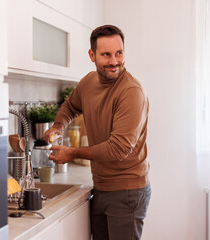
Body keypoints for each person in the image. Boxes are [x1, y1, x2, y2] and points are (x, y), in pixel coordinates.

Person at [44, 25, 151, 240]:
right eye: (106, 54)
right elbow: (70, 106)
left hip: (127, 191)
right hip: (101, 186)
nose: (114, 61)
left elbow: (118, 148)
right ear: (92, 55)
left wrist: (72, 153)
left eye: (119, 53)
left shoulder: (130, 91)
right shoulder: (88, 82)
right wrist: (58, 126)